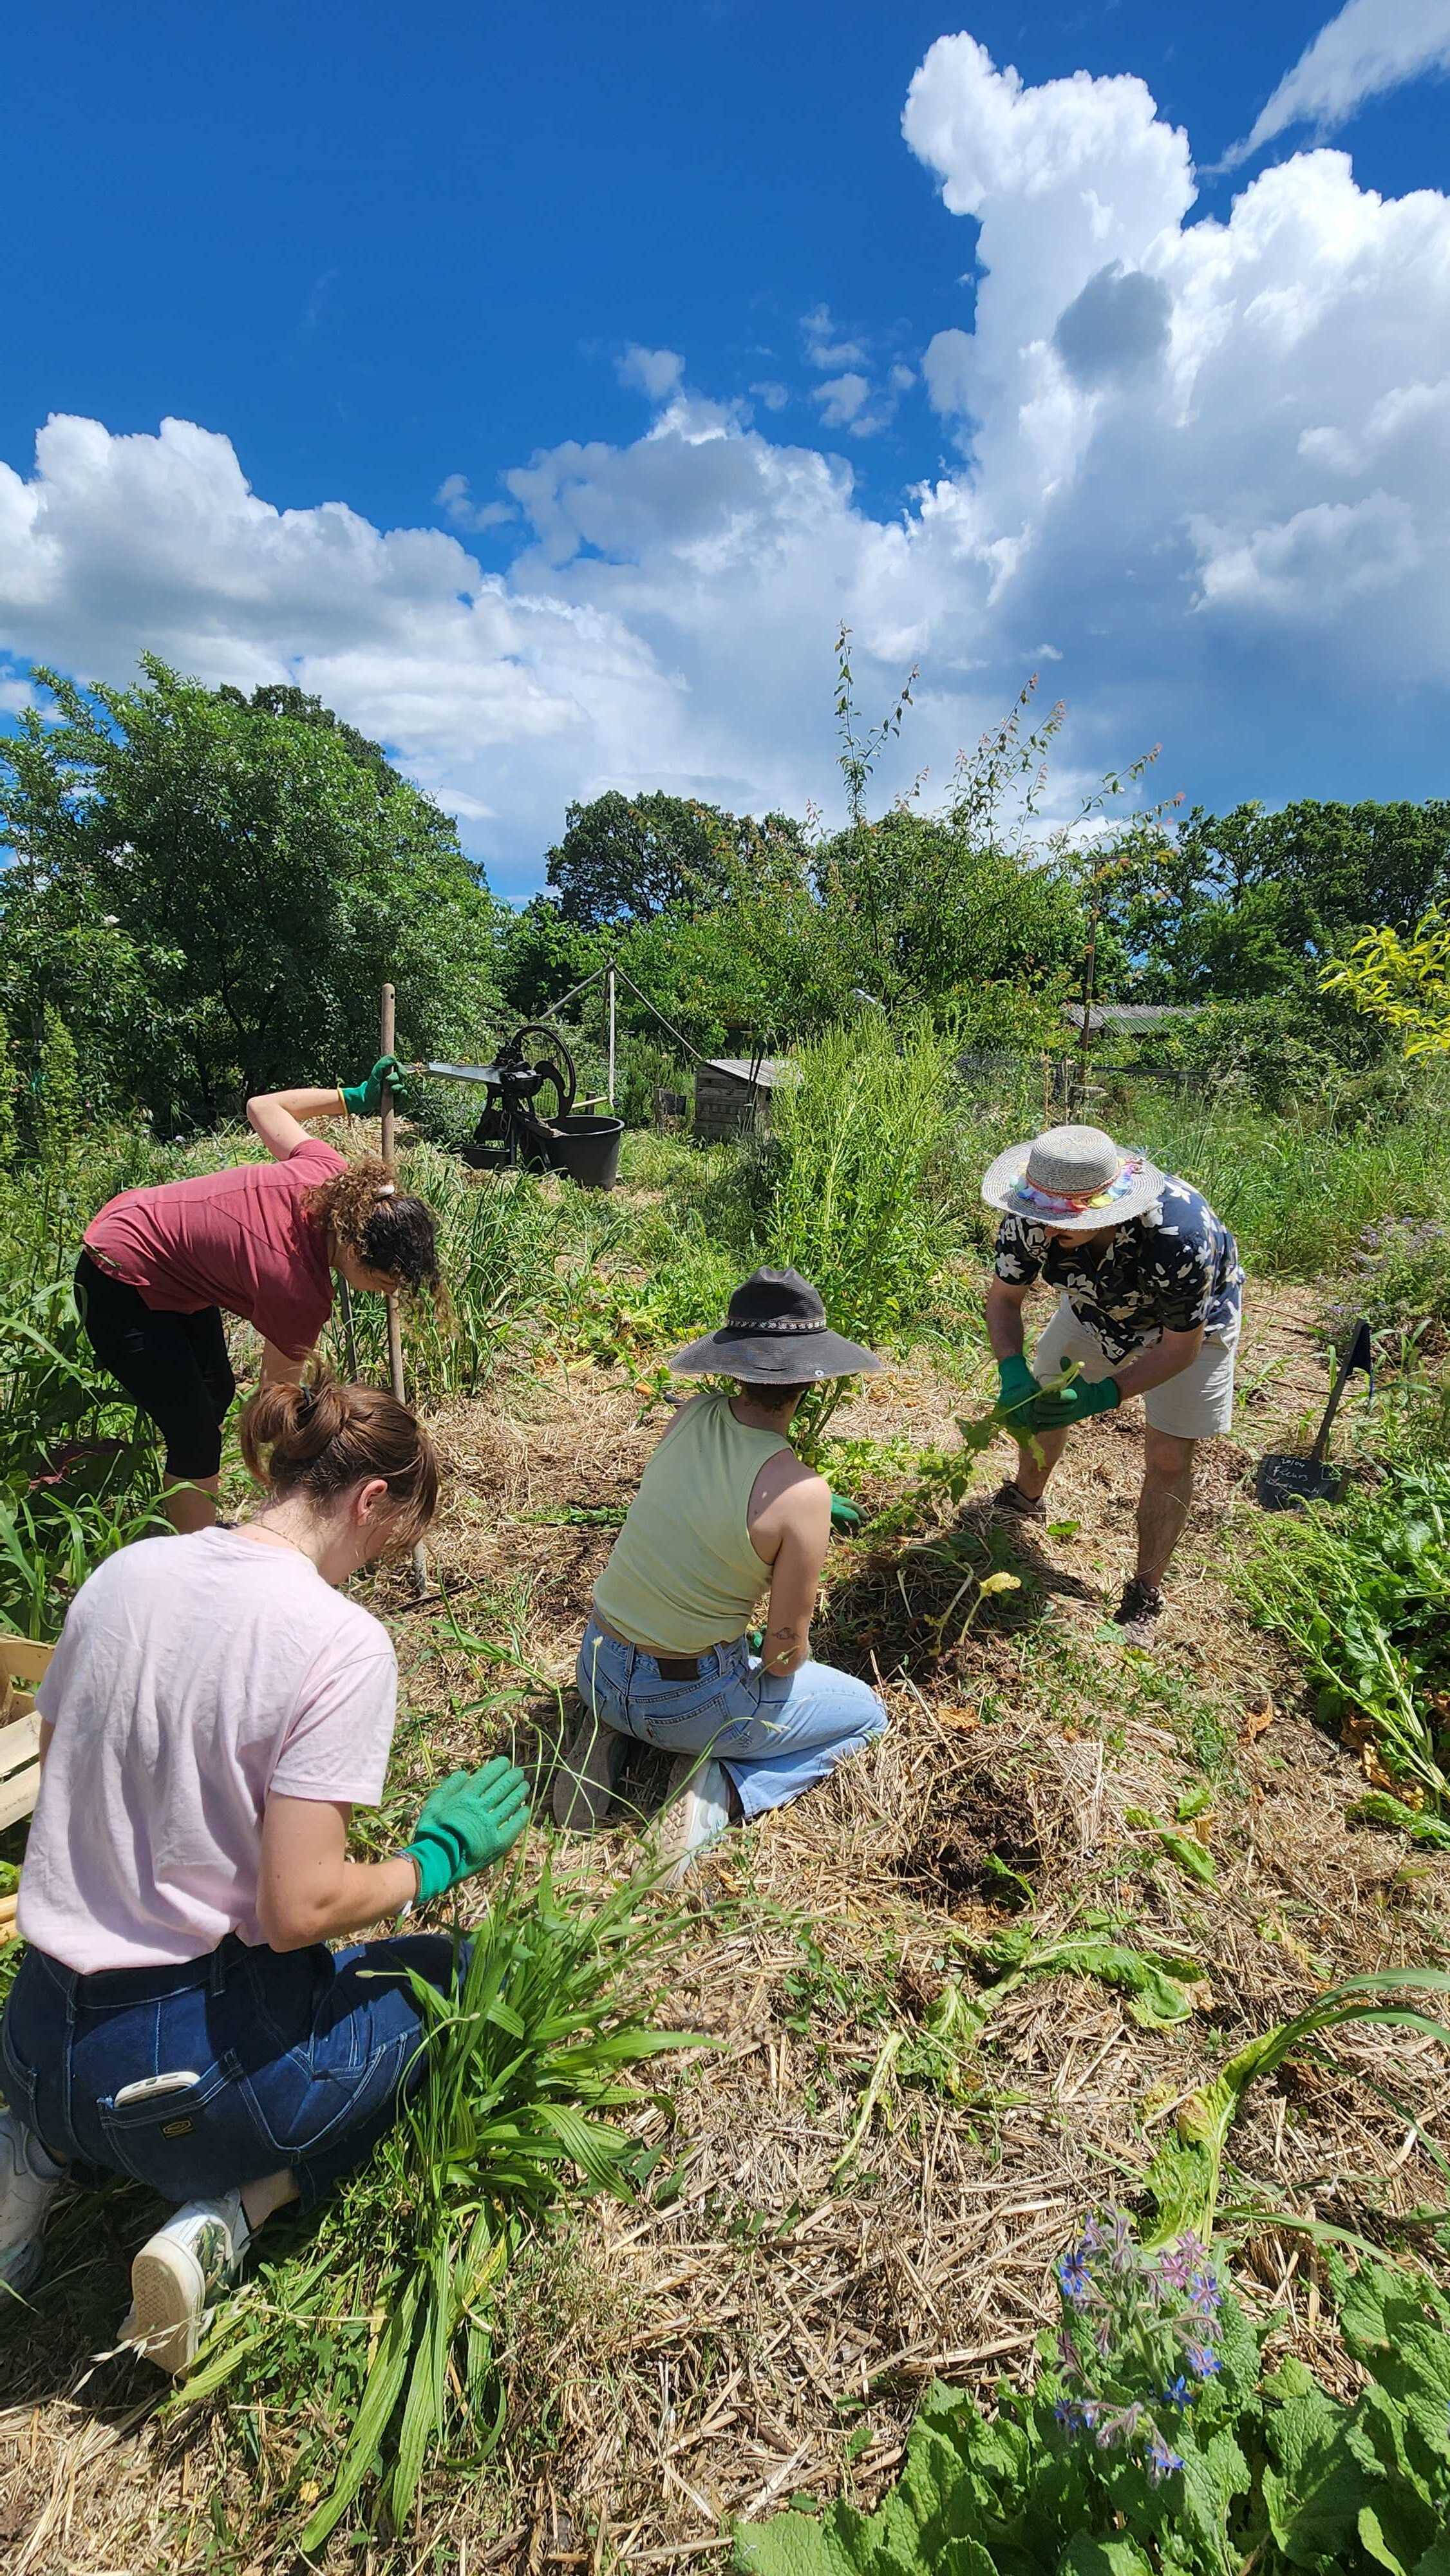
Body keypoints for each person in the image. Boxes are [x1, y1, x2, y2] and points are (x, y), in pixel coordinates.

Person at [0, 1376, 529, 2371]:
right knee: (444, 1975)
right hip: (176, 2083)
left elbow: (64, 1770)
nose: (371, 1571)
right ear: (370, 1500)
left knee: (249, 1996)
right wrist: (431, 1860)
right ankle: (235, 2211)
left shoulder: (127, 1572)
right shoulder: (337, 1641)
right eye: (386, 1547)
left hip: (31, 2035)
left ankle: (30, 2154)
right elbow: (300, 1910)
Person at [554, 1268, 887, 1882]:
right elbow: (783, 1655)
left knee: (634, 1685)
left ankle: (606, 1730)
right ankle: (721, 1788)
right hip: (688, 1699)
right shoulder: (802, 1493)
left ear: (733, 1367)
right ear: (814, 1379)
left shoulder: (691, 1414)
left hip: (596, 1664)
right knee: (868, 1715)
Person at [75, 1059, 440, 1531]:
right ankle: (198, 1556)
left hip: (168, 1255)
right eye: (387, 1280)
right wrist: (317, 1457)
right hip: (119, 1269)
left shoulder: (330, 1173)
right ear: (355, 1250)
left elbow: (264, 1107)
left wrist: (352, 1098)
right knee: (196, 1435)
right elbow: (274, 1401)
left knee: (216, 1392)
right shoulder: (297, 1288)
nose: (389, 1291)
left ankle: (198, 1518)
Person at [981, 1123, 1244, 1638]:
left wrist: (1106, 1394)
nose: (1045, 1233)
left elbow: (1180, 1347)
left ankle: (1146, 1592)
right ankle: (1026, 1498)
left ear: (1106, 1210)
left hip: (1190, 1328)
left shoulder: (1179, 1235)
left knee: (1169, 1455)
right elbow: (1004, 1300)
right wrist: (1011, 1369)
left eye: (1061, 1224)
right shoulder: (1031, 1214)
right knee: (1041, 1406)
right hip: (1093, 1310)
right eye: (1040, 1220)